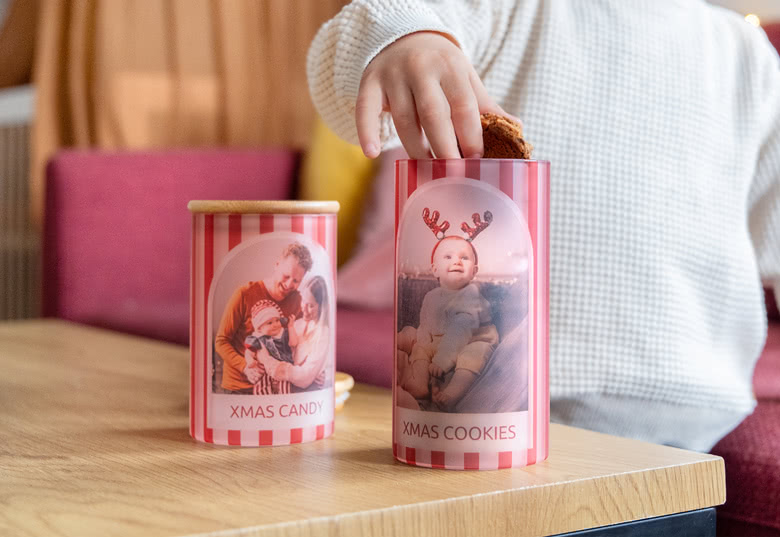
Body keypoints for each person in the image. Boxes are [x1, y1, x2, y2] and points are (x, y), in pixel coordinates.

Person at [307, 1, 780, 450]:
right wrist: (406, 39)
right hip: (505, 404)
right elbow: (371, 26)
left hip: (699, 412)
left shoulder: (748, 54)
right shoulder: (507, 10)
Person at [398, 234, 498, 410]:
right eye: (448, 257)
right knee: (418, 345)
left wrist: (442, 361)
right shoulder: (431, 297)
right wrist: (423, 344)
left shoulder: (470, 295)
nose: (457, 261)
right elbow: (426, 325)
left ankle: (453, 394)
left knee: (473, 356)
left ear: (474, 271)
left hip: (473, 339)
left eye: (464, 258)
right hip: (440, 339)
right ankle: (419, 383)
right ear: (435, 270)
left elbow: (460, 331)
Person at [215, 242, 313, 394]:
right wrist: (244, 366)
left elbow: (301, 342)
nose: (288, 284)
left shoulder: (298, 301)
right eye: (286, 276)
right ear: (277, 264)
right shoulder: (244, 294)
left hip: (280, 386)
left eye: (296, 281)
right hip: (241, 386)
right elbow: (221, 341)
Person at [255, 276, 332, 392]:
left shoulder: (323, 333)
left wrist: (270, 363)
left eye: (311, 305)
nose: (304, 309)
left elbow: (305, 377)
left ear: (322, 307)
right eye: (303, 302)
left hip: (303, 392)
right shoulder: (298, 324)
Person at [244, 300, 299, 394]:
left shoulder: (284, 333)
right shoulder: (257, 338)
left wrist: (291, 327)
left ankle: (284, 402)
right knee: (261, 387)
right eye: (269, 323)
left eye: (277, 320)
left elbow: (294, 343)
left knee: (285, 387)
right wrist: (250, 361)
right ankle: (264, 402)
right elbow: (248, 352)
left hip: (283, 367)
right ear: (259, 328)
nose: (275, 324)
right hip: (265, 370)